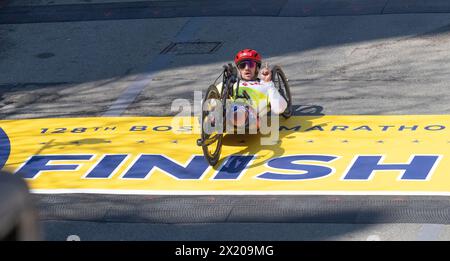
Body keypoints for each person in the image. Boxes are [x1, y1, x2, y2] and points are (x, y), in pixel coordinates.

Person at [215, 49, 287, 132]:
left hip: (248, 114)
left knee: (239, 112)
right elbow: (208, 99)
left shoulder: (265, 85)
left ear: (257, 68)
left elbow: (279, 108)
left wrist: (269, 84)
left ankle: (223, 118)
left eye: (251, 64)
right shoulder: (231, 83)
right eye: (242, 65)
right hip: (228, 108)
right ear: (238, 69)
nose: (246, 68)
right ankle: (219, 118)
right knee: (213, 105)